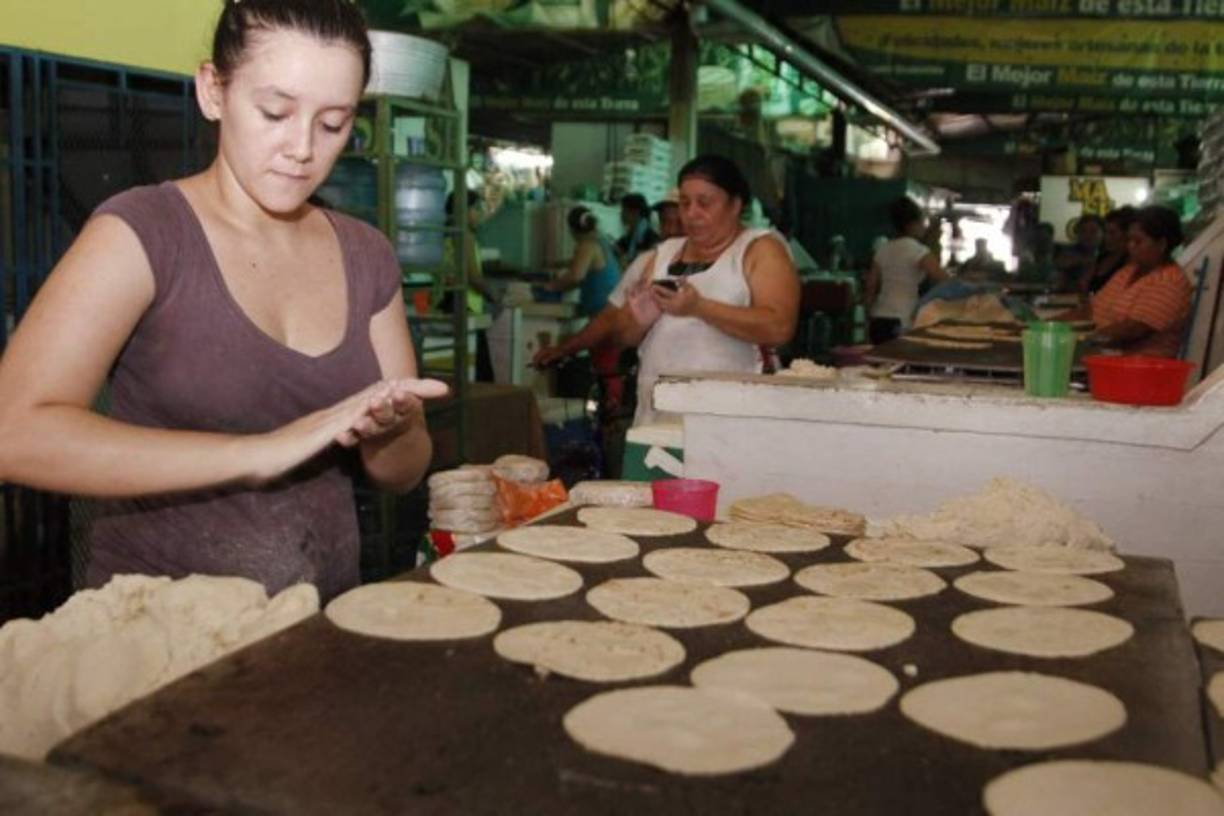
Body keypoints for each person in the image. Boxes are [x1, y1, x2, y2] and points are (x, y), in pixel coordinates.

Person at [0, 0, 445, 602]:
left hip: (317, 621)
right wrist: (259, 454)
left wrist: (389, 429)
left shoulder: (366, 255)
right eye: (274, 112)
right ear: (213, 91)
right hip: (162, 630)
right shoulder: (144, 233)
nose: (302, 148)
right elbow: (15, 433)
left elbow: (401, 474)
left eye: (333, 123)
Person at [612, 154, 799, 425]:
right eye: (685, 203)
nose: (691, 214)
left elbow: (779, 327)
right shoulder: (664, 254)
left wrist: (699, 308)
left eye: (704, 203)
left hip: (731, 418)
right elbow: (622, 337)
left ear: (735, 205)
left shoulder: (759, 249)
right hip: (656, 415)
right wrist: (637, 322)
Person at [1088, 205, 1191, 358]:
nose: (1130, 246)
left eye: (1138, 241)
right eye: (1129, 240)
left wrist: (1083, 341)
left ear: (1161, 244)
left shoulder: (1170, 281)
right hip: (1108, 358)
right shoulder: (1128, 271)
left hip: (1141, 370)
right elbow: (1093, 307)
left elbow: (1132, 330)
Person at [863, 197, 948, 344]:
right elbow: (944, 280)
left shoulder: (882, 249)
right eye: (922, 222)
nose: (924, 227)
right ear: (912, 224)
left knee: (879, 364)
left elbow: (870, 287)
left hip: (879, 320)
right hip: (902, 320)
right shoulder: (918, 251)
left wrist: (867, 319)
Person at [442, 188, 497, 381]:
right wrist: (493, 295)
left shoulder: (444, 235)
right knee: (480, 373)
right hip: (467, 307)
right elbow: (473, 277)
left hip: (448, 304)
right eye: (477, 209)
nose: (480, 214)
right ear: (463, 211)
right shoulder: (464, 236)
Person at [1079, 206, 1136, 296]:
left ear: (1126, 234)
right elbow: (1083, 285)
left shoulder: (1130, 261)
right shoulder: (1102, 258)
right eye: (1105, 232)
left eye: (1112, 233)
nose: (1107, 238)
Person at [1054, 214, 1104, 293]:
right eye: (1083, 231)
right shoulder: (1069, 252)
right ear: (1077, 233)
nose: (1088, 235)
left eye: (1093, 231)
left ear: (1103, 233)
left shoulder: (1108, 254)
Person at [614, 193, 659, 267]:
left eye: (624, 210)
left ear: (635, 212)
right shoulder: (630, 236)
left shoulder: (650, 238)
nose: (621, 214)